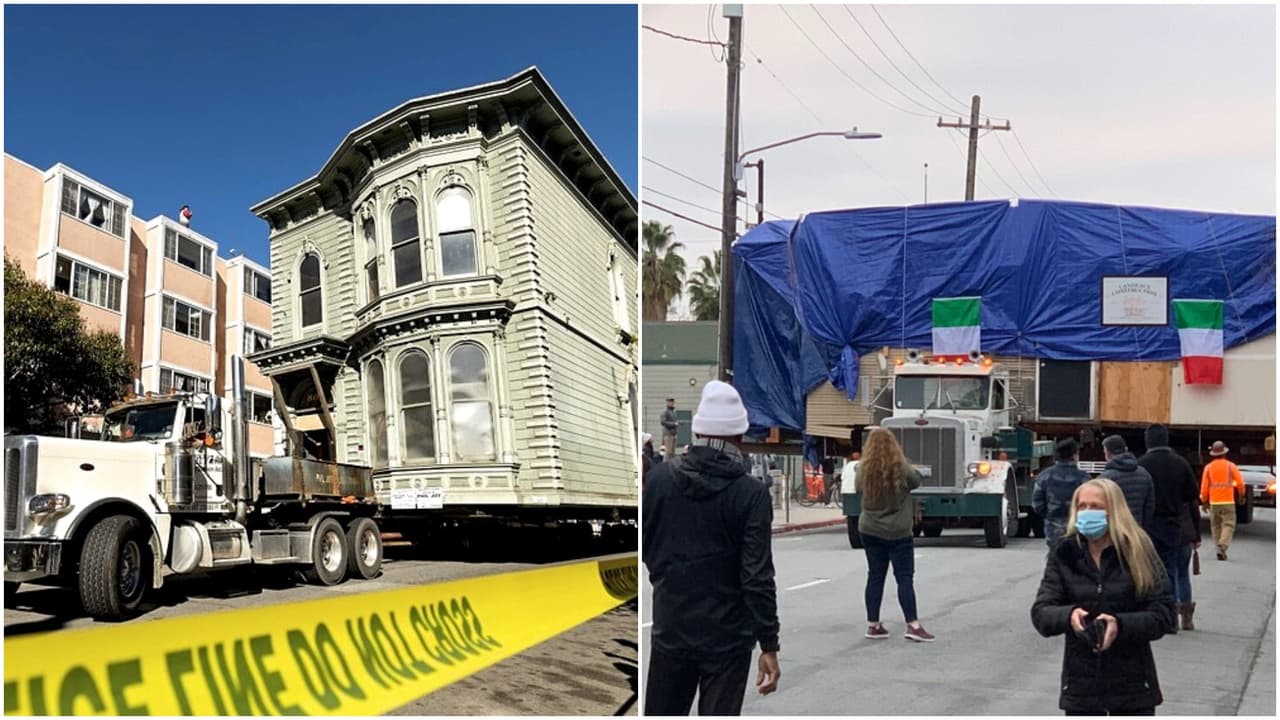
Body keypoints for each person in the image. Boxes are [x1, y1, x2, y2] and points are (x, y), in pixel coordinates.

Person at [642, 381, 780, 715]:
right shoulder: (751, 495)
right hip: (728, 638)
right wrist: (768, 644)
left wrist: (670, 582)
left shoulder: (660, 480)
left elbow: (647, 547)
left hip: (671, 629)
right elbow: (756, 576)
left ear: (699, 431)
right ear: (739, 436)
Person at [1031, 478, 1177, 716]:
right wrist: (1069, 615)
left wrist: (1119, 625)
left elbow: (1164, 615)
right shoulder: (1065, 553)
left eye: (1096, 507)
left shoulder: (1139, 552)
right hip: (1081, 689)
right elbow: (1041, 612)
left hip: (1133, 688)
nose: (1088, 513)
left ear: (1114, 511)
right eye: (1082, 506)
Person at [856, 429, 934, 642]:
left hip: (870, 529)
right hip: (898, 532)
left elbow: (856, 488)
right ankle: (913, 625)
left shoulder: (864, 470)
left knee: (875, 576)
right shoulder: (901, 469)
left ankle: (873, 625)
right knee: (904, 578)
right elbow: (916, 480)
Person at [1136, 423, 1199, 627]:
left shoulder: (1142, 464)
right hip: (1174, 525)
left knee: (1149, 571)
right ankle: (1175, 617)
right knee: (1173, 571)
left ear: (1148, 441)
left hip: (1149, 526)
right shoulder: (1180, 464)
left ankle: (1154, 612)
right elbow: (1191, 496)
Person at [1033, 436, 1089, 547]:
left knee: (1055, 560)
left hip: (1053, 528)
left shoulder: (1044, 476)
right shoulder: (1084, 478)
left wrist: (1049, 516)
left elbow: (1037, 504)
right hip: (1077, 528)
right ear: (1075, 455)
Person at [1099, 435, 1155, 534]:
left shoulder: (1104, 478)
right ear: (1126, 449)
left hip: (1113, 532)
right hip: (1137, 530)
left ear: (1107, 453)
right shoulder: (1144, 474)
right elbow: (1149, 506)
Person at [1200, 441, 1245, 561]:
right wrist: (1241, 496)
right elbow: (1240, 483)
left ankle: (1218, 549)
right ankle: (1223, 546)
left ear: (1213, 454)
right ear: (1225, 453)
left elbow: (1204, 487)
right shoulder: (1231, 466)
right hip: (1228, 502)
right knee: (1229, 524)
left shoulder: (1208, 467)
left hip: (1214, 503)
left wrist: (1204, 502)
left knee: (1215, 527)